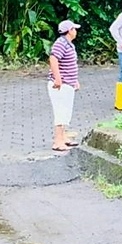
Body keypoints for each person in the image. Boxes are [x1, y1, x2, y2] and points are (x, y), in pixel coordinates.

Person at [48, 20, 81, 152]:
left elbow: (71, 64)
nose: (76, 31)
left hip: (68, 83)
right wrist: (58, 78)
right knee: (60, 112)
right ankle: (58, 142)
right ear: (69, 31)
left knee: (66, 112)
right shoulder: (61, 43)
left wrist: (75, 80)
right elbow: (53, 59)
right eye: (74, 29)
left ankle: (63, 137)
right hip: (61, 85)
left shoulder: (69, 44)